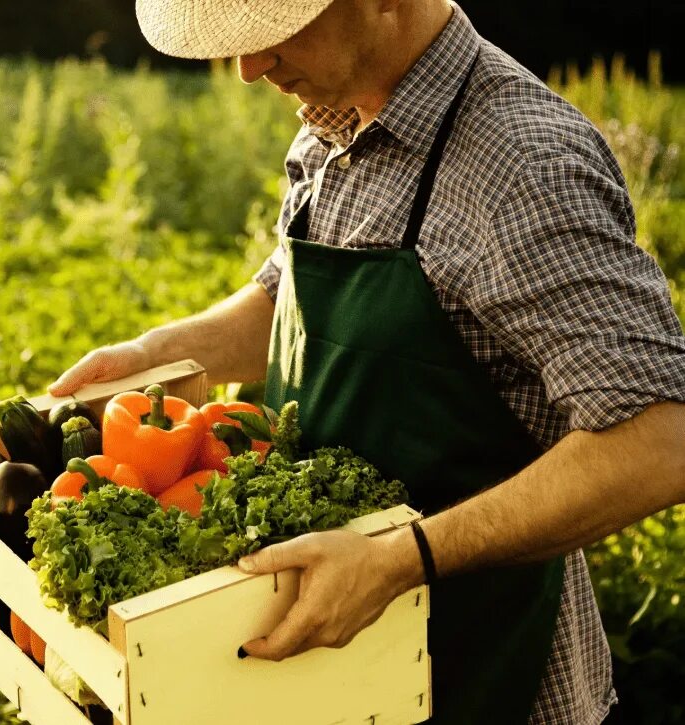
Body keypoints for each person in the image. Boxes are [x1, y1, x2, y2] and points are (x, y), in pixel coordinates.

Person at [48, 0, 685, 722]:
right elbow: (289, 296)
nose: (248, 69)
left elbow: (660, 439)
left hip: (482, 666)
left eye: (272, 33)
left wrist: (401, 557)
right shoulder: (340, 119)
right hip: (338, 670)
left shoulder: (519, 164)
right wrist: (157, 352)